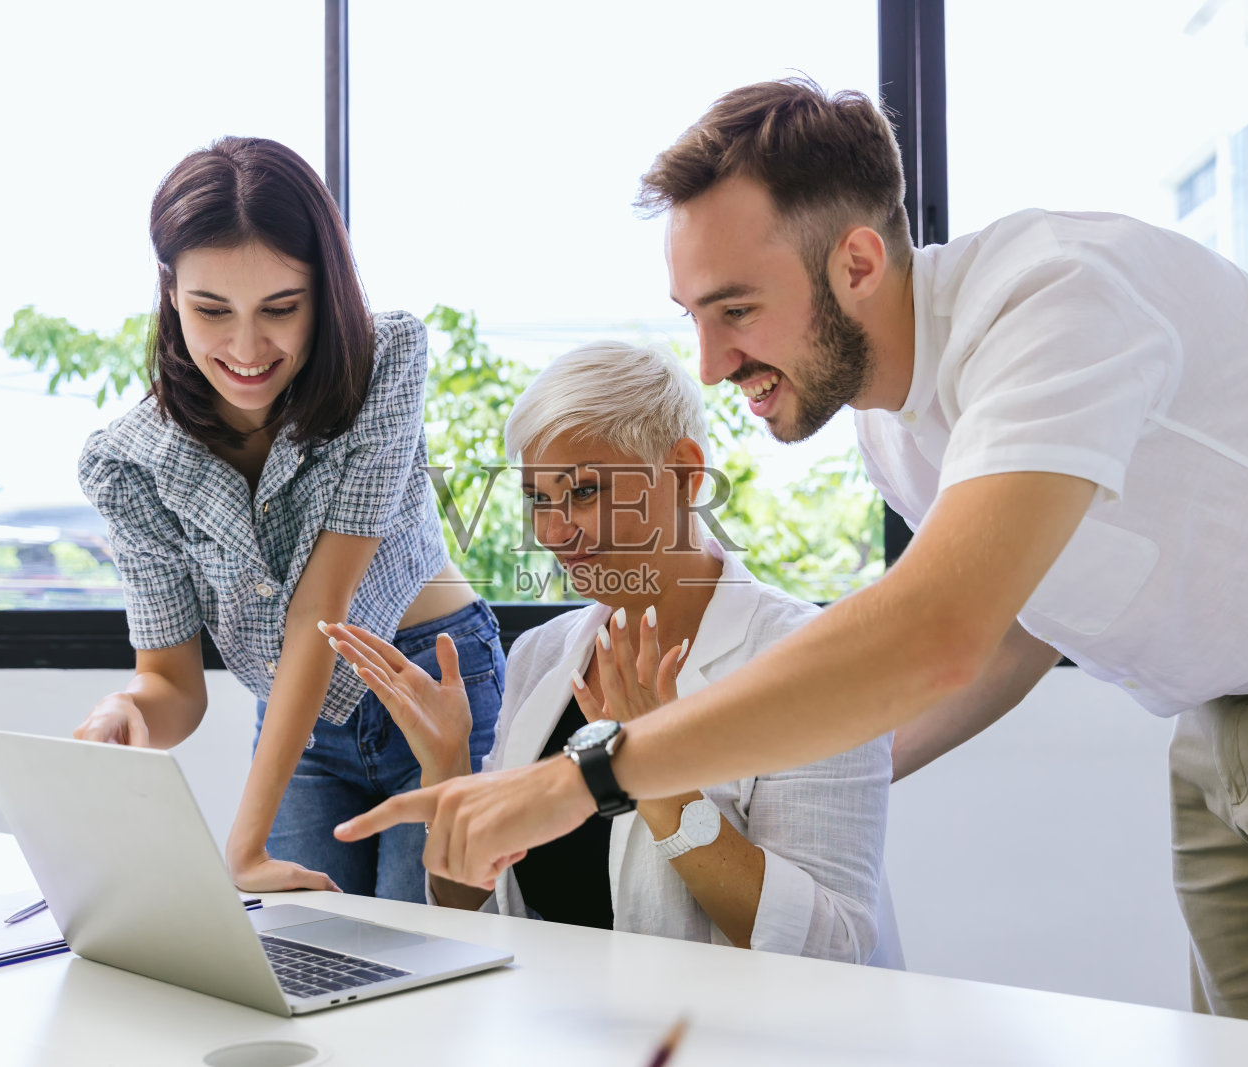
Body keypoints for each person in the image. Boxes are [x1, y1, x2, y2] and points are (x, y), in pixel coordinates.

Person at [335, 80, 1248, 1031]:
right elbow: (1023, 625)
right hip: (1212, 722)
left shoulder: (1054, 303)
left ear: (857, 260)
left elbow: (938, 629)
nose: (711, 361)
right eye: (693, 318)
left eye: (736, 309)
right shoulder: (897, 429)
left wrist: (590, 777)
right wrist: (825, 761)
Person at [324, 340, 899, 964]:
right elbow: (472, 910)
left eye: (585, 493)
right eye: (538, 499)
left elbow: (835, 948)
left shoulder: (814, 664)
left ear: (684, 473)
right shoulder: (543, 656)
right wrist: (446, 764)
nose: (550, 532)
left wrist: (658, 777)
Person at [74, 136, 502, 900]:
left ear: (325, 290)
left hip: (434, 684)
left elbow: (321, 610)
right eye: (212, 310)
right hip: (299, 721)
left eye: (280, 308)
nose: (245, 346)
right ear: (171, 291)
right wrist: (126, 712)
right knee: (303, 962)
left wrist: (240, 842)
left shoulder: (386, 362)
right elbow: (174, 686)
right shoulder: (128, 461)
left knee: (432, 957)